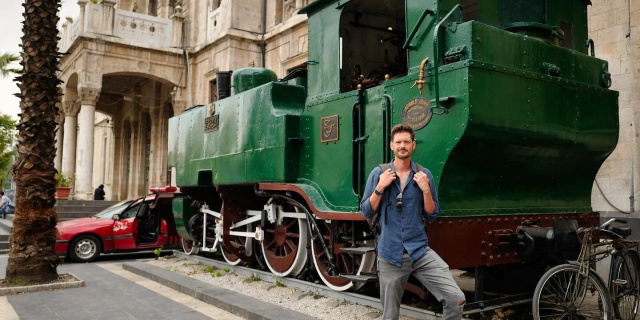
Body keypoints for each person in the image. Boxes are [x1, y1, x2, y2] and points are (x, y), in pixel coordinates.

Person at [361, 124, 465, 320]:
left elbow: (432, 215)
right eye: (398, 142)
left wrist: (425, 190)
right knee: (390, 315)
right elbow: (366, 210)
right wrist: (380, 187)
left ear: (413, 145)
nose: (402, 145)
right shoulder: (379, 173)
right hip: (390, 253)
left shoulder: (423, 175)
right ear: (392, 145)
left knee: (455, 298)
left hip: (419, 251)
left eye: (406, 142)